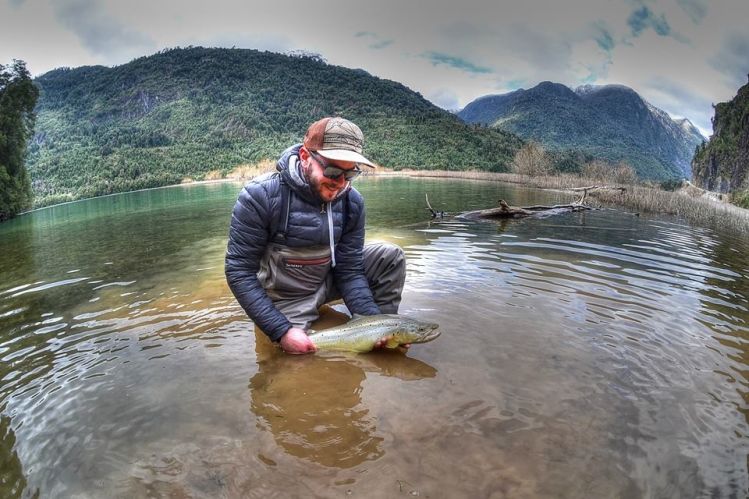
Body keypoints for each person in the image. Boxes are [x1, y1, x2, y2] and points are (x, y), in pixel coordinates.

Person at [225, 117, 406, 354]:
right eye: (332, 171)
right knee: (297, 361)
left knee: (390, 256)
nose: (340, 183)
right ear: (304, 156)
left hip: (327, 280)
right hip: (286, 297)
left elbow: (349, 270)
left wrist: (376, 325)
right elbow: (238, 272)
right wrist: (281, 330)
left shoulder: (353, 202)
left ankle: (383, 338)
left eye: (350, 174)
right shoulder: (260, 196)